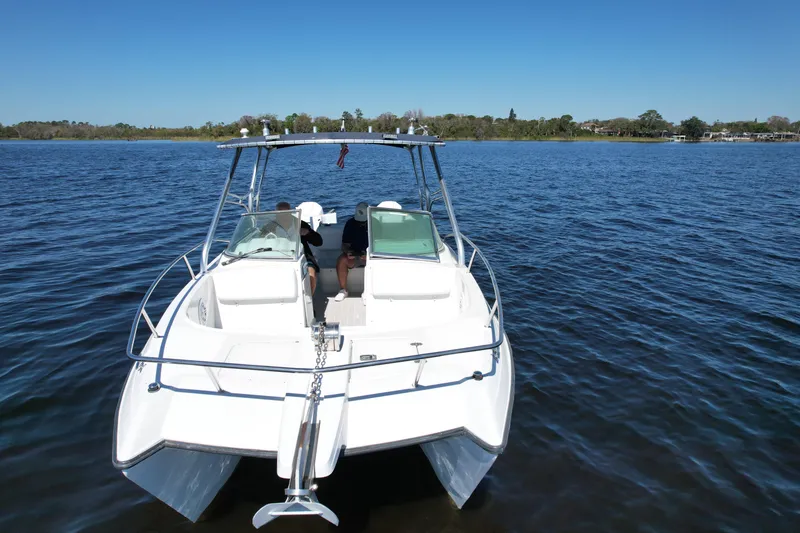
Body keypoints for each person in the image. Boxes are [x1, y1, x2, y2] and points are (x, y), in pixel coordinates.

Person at [275, 201, 323, 294]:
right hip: (278, 257)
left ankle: (309, 301)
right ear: (276, 214)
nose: (284, 216)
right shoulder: (270, 227)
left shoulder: (300, 224)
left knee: (311, 275)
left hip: (302, 257)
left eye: (287, 212)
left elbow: (319, 242)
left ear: (291, 212)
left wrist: (308, 233)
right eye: (281, 213)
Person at [334, 202, 369, 301]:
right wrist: (348, 252)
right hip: (355, 255)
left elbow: (380, 244)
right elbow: (344, 244)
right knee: (341, 260)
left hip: (371, 255)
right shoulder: (350, 223)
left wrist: (369, 255)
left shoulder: (375, 222)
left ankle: (369, 291)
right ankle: (343, 290)